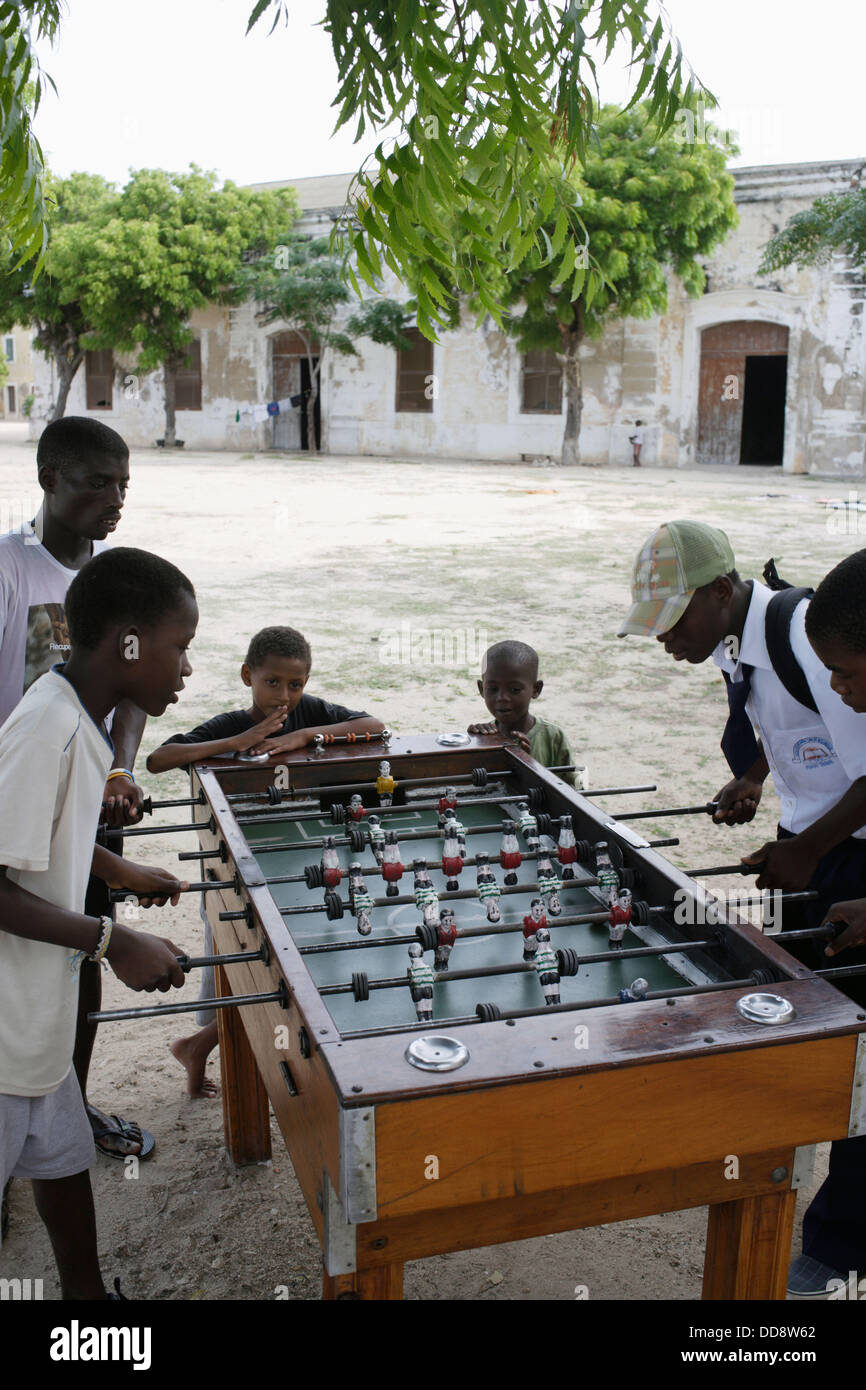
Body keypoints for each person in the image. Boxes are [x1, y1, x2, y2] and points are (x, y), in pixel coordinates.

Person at [618, 519, 866, 1296]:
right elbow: (795, 723)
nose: (663, 641)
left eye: (671, 622)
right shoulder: (744, 643)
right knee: (800, 1028)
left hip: (847, 856)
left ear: (721, 593)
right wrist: (758, 775)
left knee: (851, 1056)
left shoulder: (809, 637)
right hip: (813, 847)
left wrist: (811, 853)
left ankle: (836, 1246)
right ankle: (780, 1180)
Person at [0, 547, 194, 1298]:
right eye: (180, 646)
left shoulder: (81, 720)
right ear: (130, 645)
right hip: (6, 1024)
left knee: (62, 1158)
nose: (183, 669)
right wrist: (114, 941)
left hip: (36, 1018)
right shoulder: (45, 729)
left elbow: (45, 836)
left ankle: (88, 1311)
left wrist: (119, 873)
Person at [0, 417, 151, 1192]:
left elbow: (134, 689)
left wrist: (118, 774)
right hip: (18, 808)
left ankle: (69, 1106)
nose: (113, 498)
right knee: (14, 968)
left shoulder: (116, 578)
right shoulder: (10, 571)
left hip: (89, 808)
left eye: (123, 483)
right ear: (49, 479)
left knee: (80, 956)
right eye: (97, 481)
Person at [147, 624, 385, 1097]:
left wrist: (305, 738)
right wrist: (237, 742)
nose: (284, 695)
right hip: (237, 870)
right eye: (272, 682)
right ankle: (200, 1049)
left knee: (279, 970)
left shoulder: (310, 713)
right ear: (247, 675)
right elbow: (160, 758)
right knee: (238, 967)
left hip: (297, 862)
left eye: (295, 684)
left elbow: (374, 726)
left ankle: (198, 1045)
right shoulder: (229, 724)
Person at [467, 640, 578, 785]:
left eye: (515, 690)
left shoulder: (553, 738)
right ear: (482, 689)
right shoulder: (482, 738)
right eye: (493, 689)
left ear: (536, 689)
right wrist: (470, 744)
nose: (502, 698)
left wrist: (527, 764)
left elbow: (571, 794)